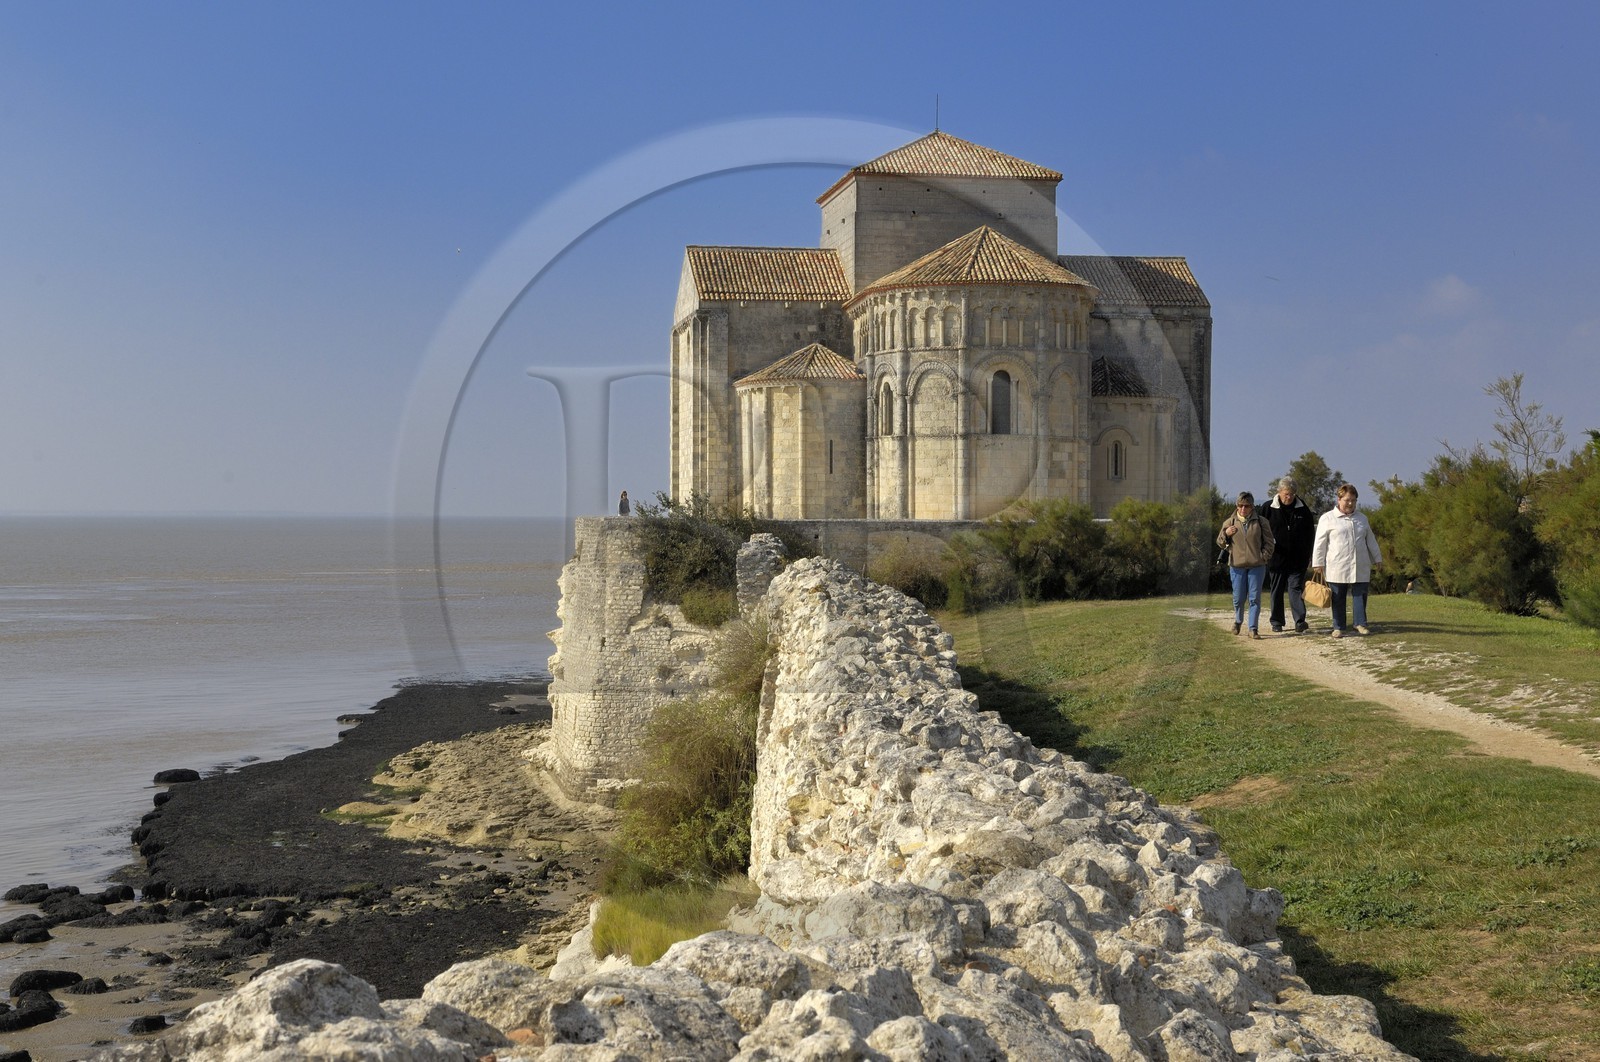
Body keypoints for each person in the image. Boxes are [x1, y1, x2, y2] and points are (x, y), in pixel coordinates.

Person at [1312, 483, 1383, 638]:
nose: (1350, 503)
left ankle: (1360, 624)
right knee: (1338, 596)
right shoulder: (1328, 518)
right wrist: (1318, 562)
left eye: (1353, 500)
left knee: (1360, 594)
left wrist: (1377, 558)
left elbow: (1370, 539)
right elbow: (1320, 542)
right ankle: (1338, 626)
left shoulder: (1362, 518)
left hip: (1360, 563)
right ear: (1339, 499)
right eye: (1347, 500)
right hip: (1338, 564)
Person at [1217, 491, 1275, 639]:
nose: (1243, 509)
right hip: (1236, 566)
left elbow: (1269, 542)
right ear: (1237, 506)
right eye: (1240, 505)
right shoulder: (1229, 522)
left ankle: (1253, 628)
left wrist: (1264, 557)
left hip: (1257, 565)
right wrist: (1226, 533)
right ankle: (1238, 620)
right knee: (1238, 598)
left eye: (1247, 506)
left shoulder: (1261, 522)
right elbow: (1220, 542)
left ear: (1252, 506)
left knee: (1254, 598)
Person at [1264, 476, 1316, 634]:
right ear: (1279, 492)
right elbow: (1261, 531)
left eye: (1292, 494)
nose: (1290, 497)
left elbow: (1310, 534)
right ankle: (1277, 622)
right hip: (1276, 558)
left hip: (1298, 558)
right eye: (1287, 493)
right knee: (1277, 589)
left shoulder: (1303, 509)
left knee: (1295, 589)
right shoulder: (1267, 508)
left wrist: (1311, 554)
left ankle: (1300, 621)